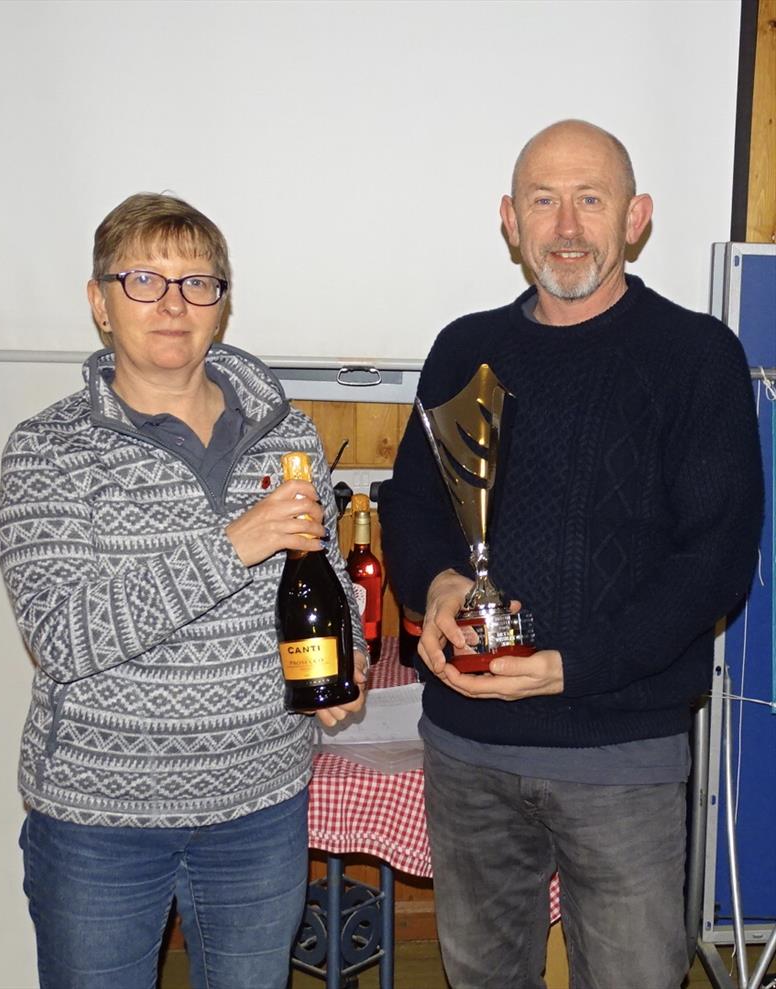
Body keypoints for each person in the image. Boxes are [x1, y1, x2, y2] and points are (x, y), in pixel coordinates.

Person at [378, 120, 764, 989]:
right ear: (510, 220)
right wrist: (437, 579)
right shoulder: (463, 347)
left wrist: (567, 667)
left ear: (637, 219)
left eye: (591, 200)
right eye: (544, 201)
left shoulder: (696, 357)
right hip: (468, 746)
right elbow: (412, 502)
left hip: (622, 757)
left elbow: (714, 565)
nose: (566, 226)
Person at [0, 192, 367, 989]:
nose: (173, 303)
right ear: (99, 302)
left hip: (261, 806)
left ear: (221, 307)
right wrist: (237, 543)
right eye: (144, 280)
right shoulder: (46, 451)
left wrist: (347, 664)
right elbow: (64, 639)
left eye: (198, 282)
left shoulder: (290, 435)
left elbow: (325, 580)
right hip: (99, 818)